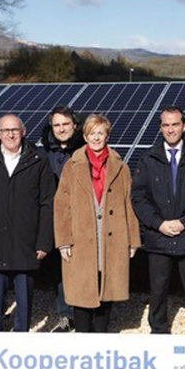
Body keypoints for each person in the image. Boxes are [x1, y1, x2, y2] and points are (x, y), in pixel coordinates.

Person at [0, 114, 56, 332]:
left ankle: (20, 347)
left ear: (23, 132)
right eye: (5, 130)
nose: (10, 134)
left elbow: (47, 204)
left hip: (25, 243)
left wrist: (44, 241)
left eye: (15, 130)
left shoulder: (38, 159)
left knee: (24, 307)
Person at [132, 106, 185, 334]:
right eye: (166, 125)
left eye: (175, 124)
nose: (171, 129)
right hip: (158, 238)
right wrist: (158, 223)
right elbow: (138, 196)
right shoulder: (148, 158)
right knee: (157, 292)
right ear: (160, 128)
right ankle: (159, 333)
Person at [54, 114, 141, 332]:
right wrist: (63, 241)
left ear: (107, 136)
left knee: (107, 289)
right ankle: (84, 338)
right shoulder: (71, 166)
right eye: (92, 133)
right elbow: (61, 205)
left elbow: (128, 203)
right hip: (81, 239)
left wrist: (132, 240)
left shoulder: (121, 167)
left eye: (100, 133)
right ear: (84, 136)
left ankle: (101, 338)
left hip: (112, 237)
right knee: (82, 291)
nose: (96, 137)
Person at [41, 105, 85, 333]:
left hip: (82, 218)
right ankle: (66, 314)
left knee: (84, 266)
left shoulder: (87, 150)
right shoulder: (44, 153)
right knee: (61, 268)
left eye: (65, 124)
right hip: (54, 219)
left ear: (75, 126)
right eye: (56, 125)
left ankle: (86, 312)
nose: (61, 129)